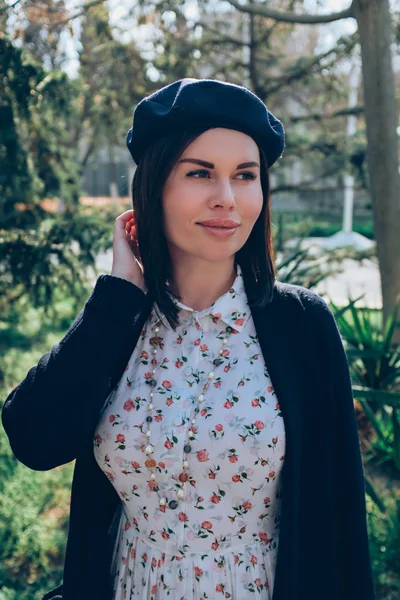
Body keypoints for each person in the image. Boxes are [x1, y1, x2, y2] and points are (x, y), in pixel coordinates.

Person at [1, 78, 375, 600]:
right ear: (154, 188)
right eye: (200, 172)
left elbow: (340, 521)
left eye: (245, 176)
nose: (226, 198)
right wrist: (116, 296)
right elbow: (35, 440)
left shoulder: (302, 325)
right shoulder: (121, 318)